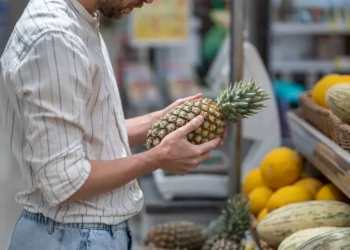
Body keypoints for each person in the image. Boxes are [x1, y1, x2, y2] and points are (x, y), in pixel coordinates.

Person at [0, 1, 226, 249]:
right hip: (73, 238)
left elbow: (87, 137)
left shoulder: (76, 21)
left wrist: (159, 121)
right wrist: (157, 158)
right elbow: (65, 180)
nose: (148, 1)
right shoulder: (56, 37)